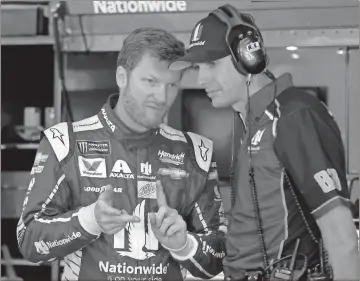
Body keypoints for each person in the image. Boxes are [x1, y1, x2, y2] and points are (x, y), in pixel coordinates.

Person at [17, 27, 226, 281]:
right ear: (122, 77)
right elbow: (29, 240)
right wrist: (88, 221)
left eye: (171, 85)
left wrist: (184, 244)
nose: (162, 96)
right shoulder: (65, 144)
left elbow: (219, 256)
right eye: (150, 81)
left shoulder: (195, 153)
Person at [169, 4, 358, 281]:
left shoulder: (294, 115)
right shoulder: (253, 122)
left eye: (211, 64)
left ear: (248, 57)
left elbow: (342, 239)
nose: (201, 78)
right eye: (198, 67)